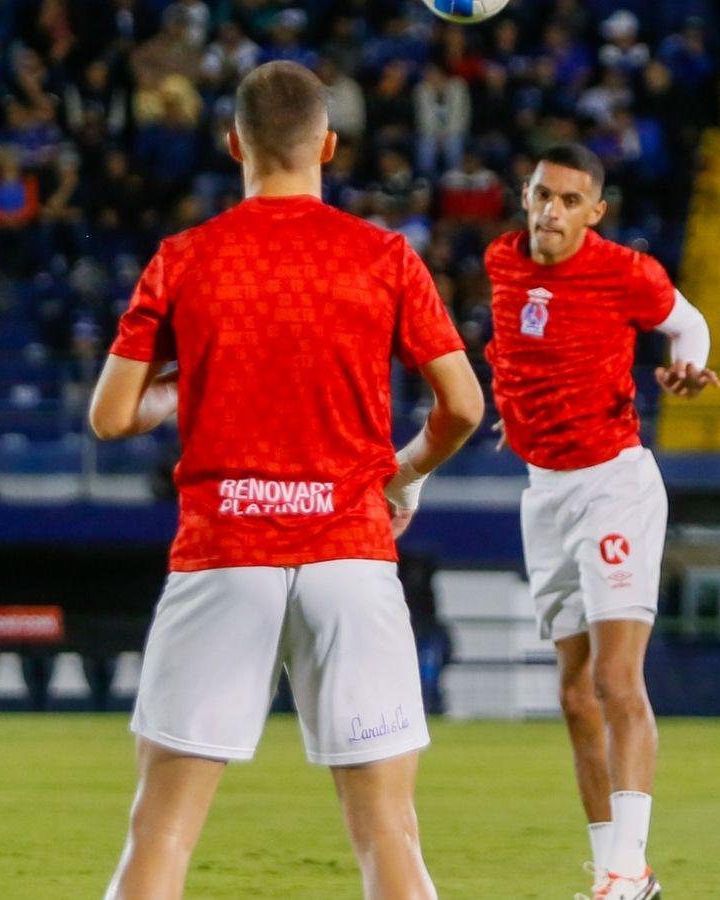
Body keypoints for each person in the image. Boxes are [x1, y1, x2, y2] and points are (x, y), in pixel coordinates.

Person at [89, 61, 484, 900]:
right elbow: (462, 404)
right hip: (351, 553)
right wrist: (405, 476)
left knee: (160, 831)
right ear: (329, 146)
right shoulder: (383, 256)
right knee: (388, 836)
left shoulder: (185, 257)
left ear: (234, 143)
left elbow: (111, 415)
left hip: (225, 552)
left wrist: (180, 382)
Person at [484, 144, 720, 900]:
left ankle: (624, 869)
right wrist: (517, 412)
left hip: (612, 484)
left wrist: (686, 367)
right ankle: (623, 874)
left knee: (618, 680)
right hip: (542, 491)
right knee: (575, 694)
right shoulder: (501, 261)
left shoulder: (626, 272)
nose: (551, 210)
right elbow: (522, 352)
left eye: (568, 199)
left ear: (596, 211)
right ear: (526, 195)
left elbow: (689, 326)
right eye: (542, 194)